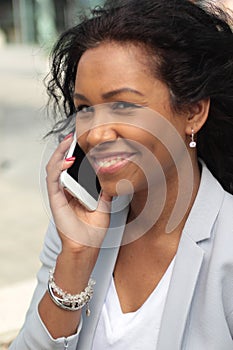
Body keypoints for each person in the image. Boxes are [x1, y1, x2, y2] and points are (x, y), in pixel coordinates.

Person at [10, 0, 233, 349]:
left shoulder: (227, 244)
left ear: (193, 112)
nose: (96, 134)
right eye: (85, 108)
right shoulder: (77, 227)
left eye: (123, 105)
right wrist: (77, 257)